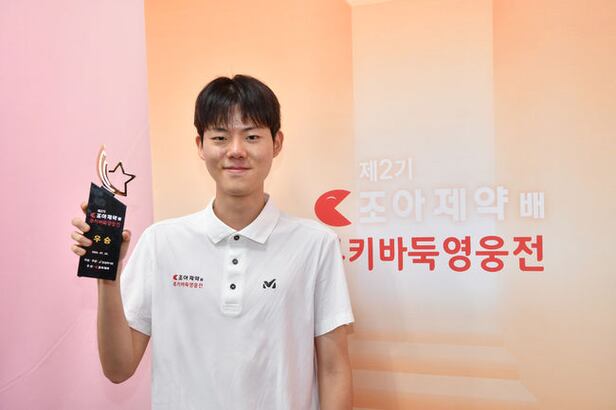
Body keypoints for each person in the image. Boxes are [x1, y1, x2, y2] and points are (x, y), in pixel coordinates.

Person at [70, 74, 355, 409]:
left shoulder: (316, 245)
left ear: (276, 143)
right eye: (220, 137)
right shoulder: (161, 243)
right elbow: (118, 369)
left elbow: (334, 370)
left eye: (251, 136)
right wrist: (108, 276)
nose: (236, 151)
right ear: (200, 145)